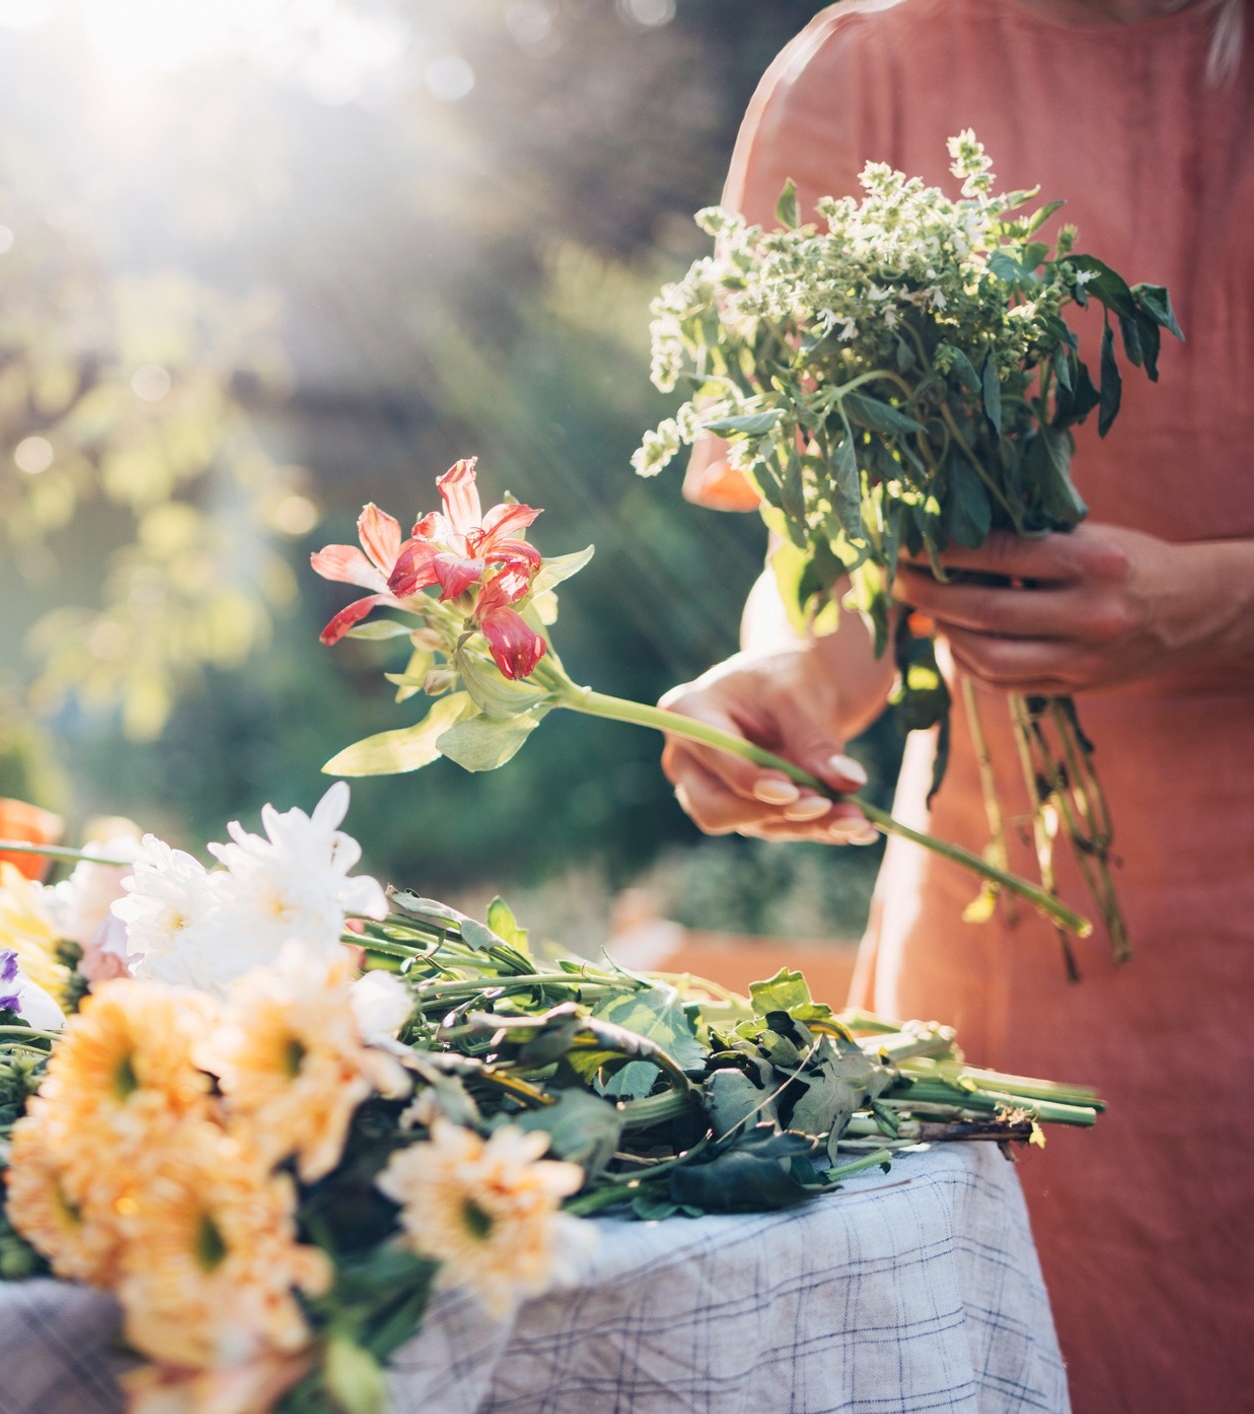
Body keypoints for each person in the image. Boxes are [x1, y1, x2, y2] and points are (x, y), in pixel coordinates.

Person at [656, 2, 1254, 1407]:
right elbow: (845, 561)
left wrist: (1220, 607)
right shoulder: (873, 67)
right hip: (1017, 960)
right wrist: (796, 678)